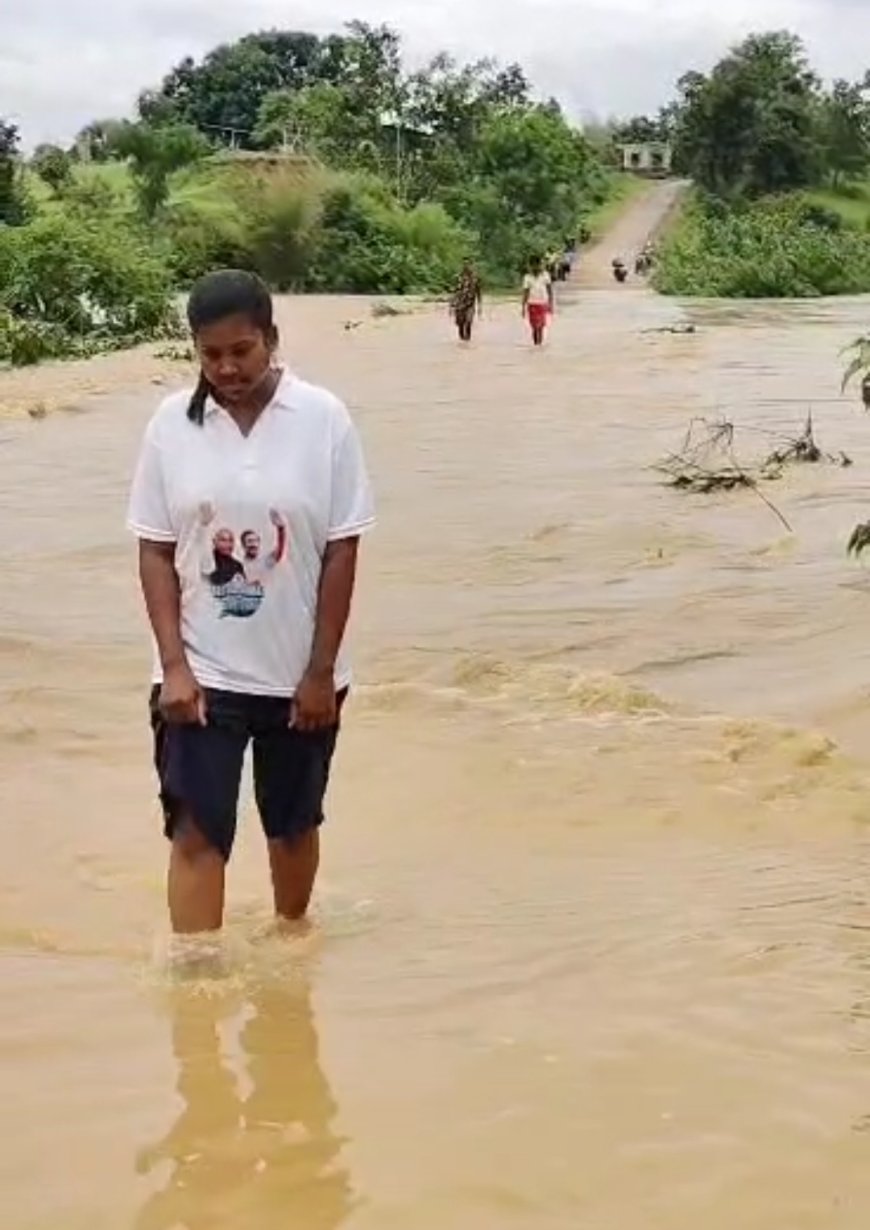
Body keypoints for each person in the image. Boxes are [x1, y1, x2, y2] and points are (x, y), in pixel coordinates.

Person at [127, 269, 375, 935]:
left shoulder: (323, 418)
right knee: (196, 832)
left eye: (241, 350)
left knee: (292, 826)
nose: (227, 368)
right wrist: (173, 667)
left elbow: (341, 549)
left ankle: (289, 960)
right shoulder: (169, 426)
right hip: (202, 674)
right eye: (209, 354)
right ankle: (196, 993)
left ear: (271, 338)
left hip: (299, 675)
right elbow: (154, 548)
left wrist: (320, 672)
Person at [522, 257, 554, 347]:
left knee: (541, 325)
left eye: (538, 265)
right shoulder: (527, 277)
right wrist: (523, 307)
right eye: (533, 265)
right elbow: (525, 292)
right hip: (532, 304)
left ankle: (539, 344)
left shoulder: (546, 275)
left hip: (542, 303)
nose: (536, 267)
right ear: (531, 266)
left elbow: (549, 290)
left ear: (540, 265)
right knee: (534, 327)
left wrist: (551, 304)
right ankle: (536, 344)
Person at [450, 259, 483, 342]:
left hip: (470, 304)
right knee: (460, 323)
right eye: (465, 264)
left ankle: (467, 340)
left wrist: (479, 305)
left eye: (468, 264)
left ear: (471, 266)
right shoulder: (458, 277)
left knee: (468, 321)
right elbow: (454, 292)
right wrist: (451, 305)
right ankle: (462, 340)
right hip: (459, 304)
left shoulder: (475, 279)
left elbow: (478, 292)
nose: (466, 266)